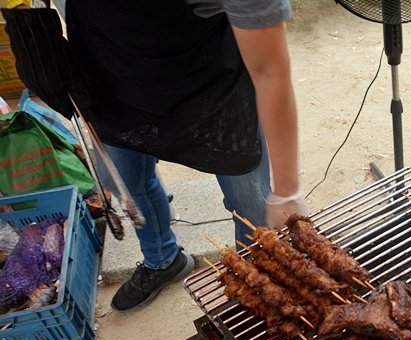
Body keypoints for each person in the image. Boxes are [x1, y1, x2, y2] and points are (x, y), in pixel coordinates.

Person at [63, 0, 309, 312]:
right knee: (123, 181)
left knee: (250, 203)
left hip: (211, 83)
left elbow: (270, 71)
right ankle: (162, 259)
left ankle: (254, 276)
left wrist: (288, 190)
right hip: (111, 77)